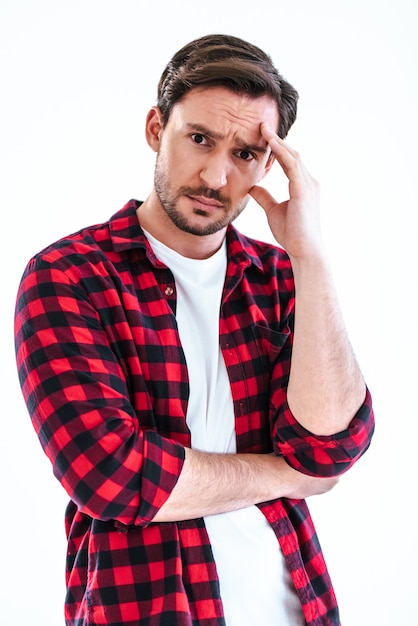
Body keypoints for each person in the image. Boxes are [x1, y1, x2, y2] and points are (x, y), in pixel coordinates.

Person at [14, 33, 374, 626]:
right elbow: (111, 473)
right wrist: (290, 475)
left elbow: (332, 445)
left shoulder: (282, 277)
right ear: (157, 128)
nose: (215, 175)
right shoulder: (68, 277)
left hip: (297, 609)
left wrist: (312, 257)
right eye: (200, 139)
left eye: (245, 154)